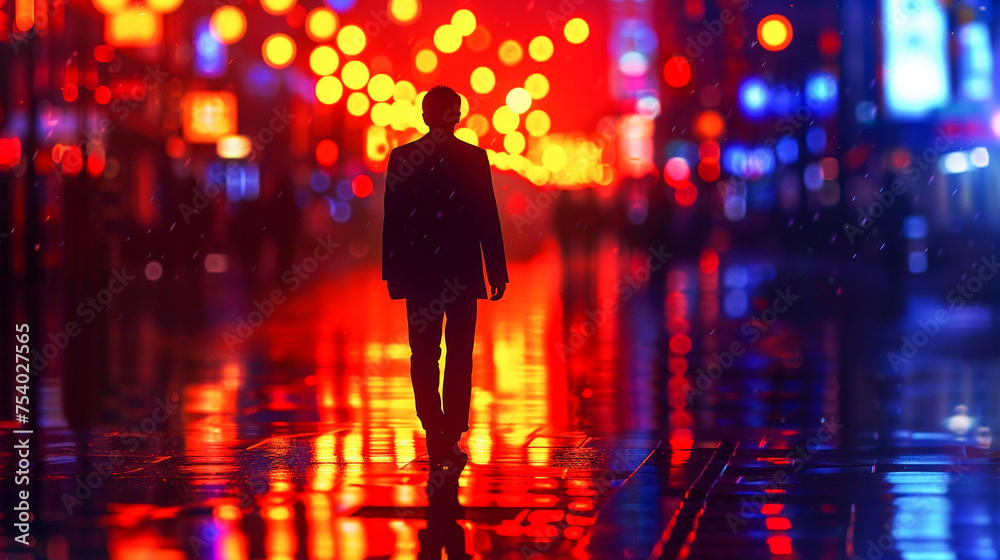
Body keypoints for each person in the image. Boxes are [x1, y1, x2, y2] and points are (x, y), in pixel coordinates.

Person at [382, 85, 508, 468]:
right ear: (457, 116)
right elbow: (487, 214)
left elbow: (394, 220)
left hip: (420, 272)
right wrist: (496, 269)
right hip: (462, 271)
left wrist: (393, 272)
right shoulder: (473, 158)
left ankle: (432, 424)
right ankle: (451, 429)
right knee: (458, 352)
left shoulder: (403, 157)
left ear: (424, 115)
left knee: (423, 352)